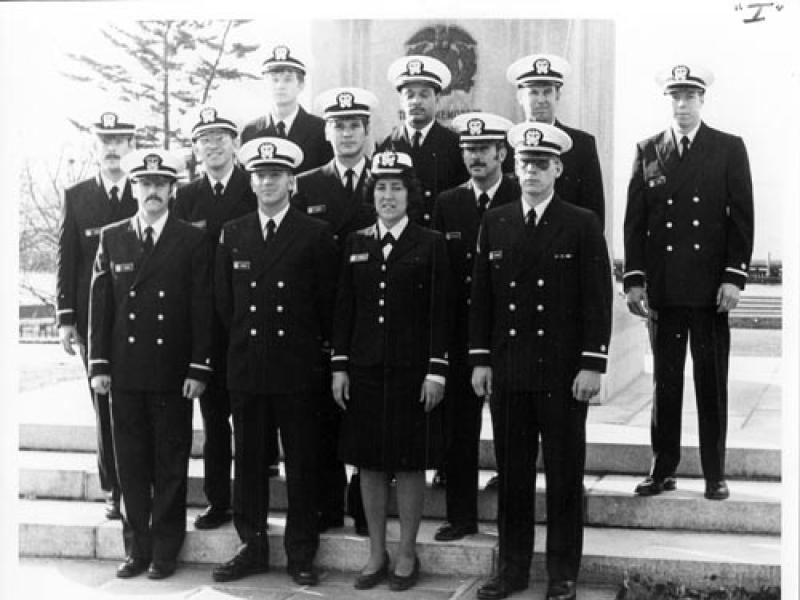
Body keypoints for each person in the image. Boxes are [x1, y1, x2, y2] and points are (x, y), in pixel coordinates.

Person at [470, 123, 612, 600]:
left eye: (541, 164)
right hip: (510, 371)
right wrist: (481, 360)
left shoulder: (582, 222)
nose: (531, 171)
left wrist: (592, 364)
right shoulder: (498, 220)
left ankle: (562, 574)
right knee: (511, 478)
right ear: (515, 168)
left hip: (562, 373)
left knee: (564, 476)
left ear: (558, 169)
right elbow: (482, 298)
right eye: (524, 163)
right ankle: (511, 571)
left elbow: (597, 300)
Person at [623, 63, 754, 501]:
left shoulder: (728, 148)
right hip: (665, 289)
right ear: (669, 101)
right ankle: (663, 467)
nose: (682, 105)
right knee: (666, 381)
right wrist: (635, 280)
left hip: (709, 291)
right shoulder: (648, 149)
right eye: (675, 97)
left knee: (711, 382)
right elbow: (635, 222)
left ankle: (715, 472)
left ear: (702, 100)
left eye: (690, 97)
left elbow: (741, 218)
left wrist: (734, 277)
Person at [212, 136, 338, 586]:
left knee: (301, 461)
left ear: (291, 182)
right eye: (260, 175)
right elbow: (225, 305)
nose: (267, 182)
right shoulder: (235, 231)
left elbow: (327, 304)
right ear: (253, 182)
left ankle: (301, 552)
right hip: (247, 366)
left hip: (297, 368)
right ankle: (252, 546)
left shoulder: (314, 234)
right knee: (247, 461)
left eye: (276, 175)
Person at [88, 149, 213, 580]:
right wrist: (99, 364)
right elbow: (100, 306)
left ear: (172, 190)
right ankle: (135, 548)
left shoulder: (191, 238)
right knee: (131, 464)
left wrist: (200, 367)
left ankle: (164, 549)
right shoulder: (113, 236)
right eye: (145, 183)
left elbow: (202, 307)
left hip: (172, 372)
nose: (153, 191)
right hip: (124, 372)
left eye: (161, 184)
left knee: (169, 464)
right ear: (134, 188)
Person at [331, 150, 449, 591]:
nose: (388, 196)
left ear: (410, 194)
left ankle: (406, 552)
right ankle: (376, 552)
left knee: (410, 462)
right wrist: (339, 366)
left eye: (396, 187)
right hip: (364, 370)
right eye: (380, 187)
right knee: (370, 464)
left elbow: (442, 313)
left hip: (412, 372)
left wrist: (437, 370)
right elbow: (345, 310)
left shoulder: (431, 243)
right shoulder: (356, 242)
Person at [292, 86, 379, 536]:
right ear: (326, 132)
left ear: (367, 131)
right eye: (338, 125)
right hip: (321, 316)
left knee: (366, 416)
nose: (347, 133)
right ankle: (328, 504)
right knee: (322, 416)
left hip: (372, 313)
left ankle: (365, 509)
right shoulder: (306, 184)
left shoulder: (384, 179)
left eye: (354, 125)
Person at [431, 112, 518, 542]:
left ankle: (509, 520)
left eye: (484, 149)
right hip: (462, 335)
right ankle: (460, 516)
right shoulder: (449, 203)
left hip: (509, 333)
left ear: (502, 152)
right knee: (459, 432)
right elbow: (441, 275)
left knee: (509, 431)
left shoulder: (522, 194)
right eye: (469, 150)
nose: (476, 157)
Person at [173, 105, 257, 530]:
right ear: (195, 149)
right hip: (205, 326)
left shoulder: (254, 184)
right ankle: (218, 500)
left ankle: (248, 501)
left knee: (249, 419)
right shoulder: (186, 197)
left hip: (250, 319)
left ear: (234, 143)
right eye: (204, 140)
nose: (212, 146)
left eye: (220, 137)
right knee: (213, 420)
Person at [56, 109, 138, 520]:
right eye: (105, 141)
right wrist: (66, 317)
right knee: (103, 406)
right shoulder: (78, 195)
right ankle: (116, 489)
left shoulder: (145, 191)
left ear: (131, 147)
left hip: (141, 319)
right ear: (96, 146)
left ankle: (143, 482)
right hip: (94, 323)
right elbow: (67, 259)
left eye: (120, 141)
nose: (112, 149)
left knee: (139, 403)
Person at [506, 52, 605, 224]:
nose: (541, 100)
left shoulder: (581, 145)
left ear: (558, 95)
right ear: (520, 97)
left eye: (547, 92)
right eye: (533, 93)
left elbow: (594, 212)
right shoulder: (507, 146)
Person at [376, 54, 468, 227]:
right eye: (409, 95)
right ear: (401, 100)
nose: (416, 101)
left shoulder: (454, 145)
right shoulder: (386, 147)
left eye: (424, 95)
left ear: (438, 99)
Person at [241, 44, 333, 174]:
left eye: (287, 80)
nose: (280, 86)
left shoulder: (319, 129)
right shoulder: (251, 131)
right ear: (265, 85)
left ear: (301, 85)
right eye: (274, 80)